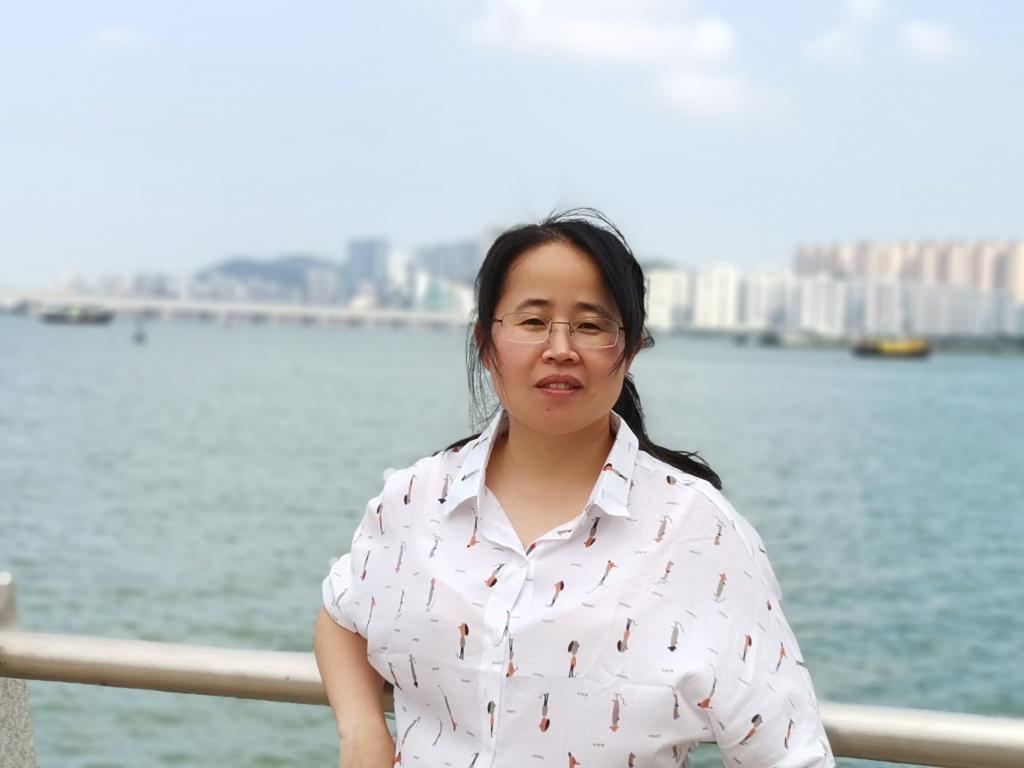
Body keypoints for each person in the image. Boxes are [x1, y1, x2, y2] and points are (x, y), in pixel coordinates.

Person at [314, 210, 835, 767]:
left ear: (630, 350)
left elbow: (789, 754)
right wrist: (361, 730)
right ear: (486, 344)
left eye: (590, 326)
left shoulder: (700, 532)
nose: (560, 348)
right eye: (533, 321)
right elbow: (343, 612)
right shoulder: (417, 499)